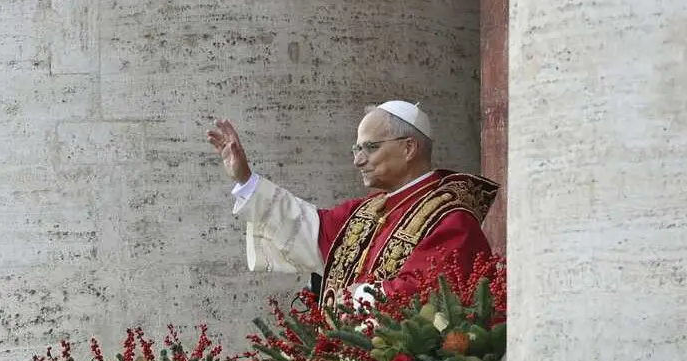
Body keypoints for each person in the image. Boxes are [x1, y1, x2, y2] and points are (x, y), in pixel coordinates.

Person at [207, 101, 498, 307]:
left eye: (371, 148)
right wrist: (246, 179)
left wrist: (355, 299)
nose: (358, 160)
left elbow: (433, 293)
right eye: (356, 149)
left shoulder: (451, 218)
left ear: (409, 148)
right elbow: (305, 229)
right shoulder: (364, 212)